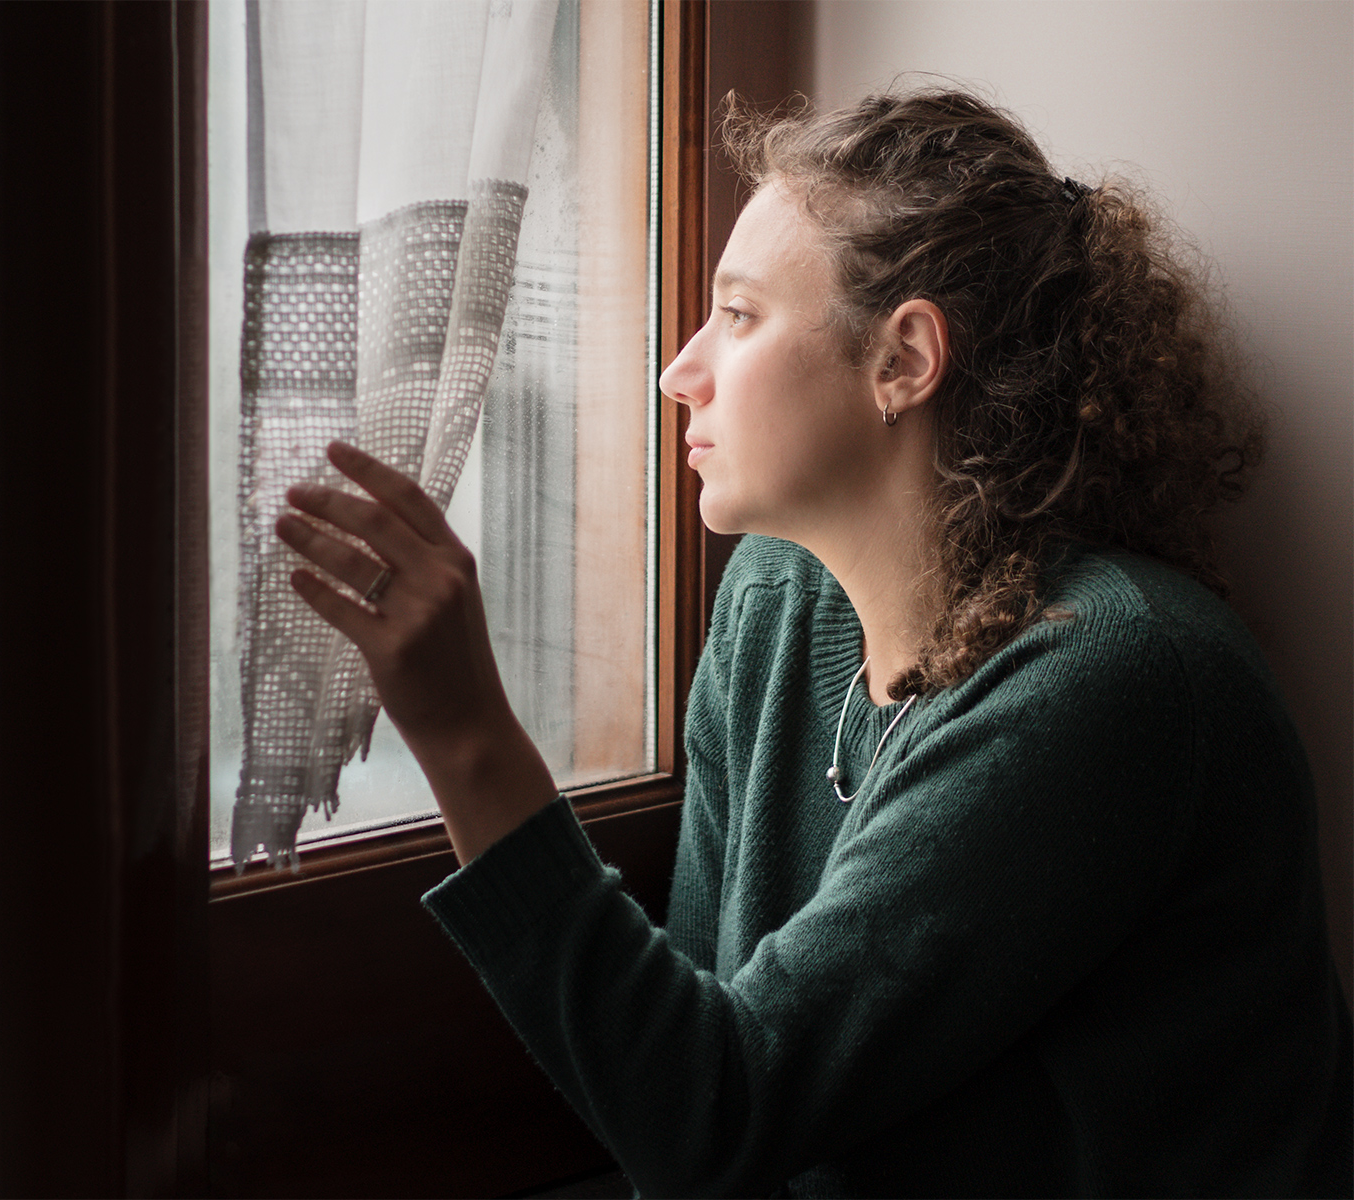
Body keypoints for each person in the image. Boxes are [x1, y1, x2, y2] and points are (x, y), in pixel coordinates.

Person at [274, 89, 1351, 1197]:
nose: (678, 371)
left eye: (737, 316)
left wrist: (465, 737)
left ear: (904, 359)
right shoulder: (779, 599)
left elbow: (714, 1117)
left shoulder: (1115, 679)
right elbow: (695, 1038)